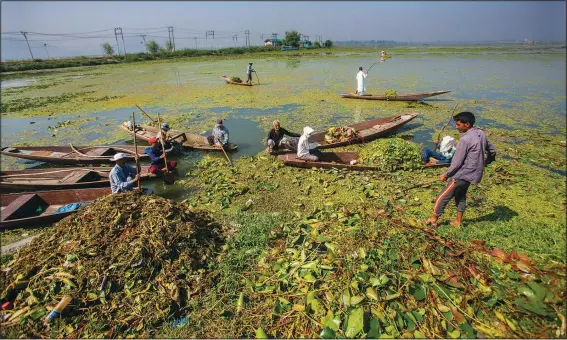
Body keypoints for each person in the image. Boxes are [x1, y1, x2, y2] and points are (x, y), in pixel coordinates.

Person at [425, 112, 496, 228]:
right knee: (461, 196)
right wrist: (485, 163)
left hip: (462, 175)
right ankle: (458, 222)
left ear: (467, 124)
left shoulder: (465, 140)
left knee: (442, 196)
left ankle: (434, 219)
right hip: (473, 175)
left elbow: (457, 163)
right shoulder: (481, 134)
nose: (456, 126)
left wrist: (446, 174)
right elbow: (492, 151)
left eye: (458, 124)